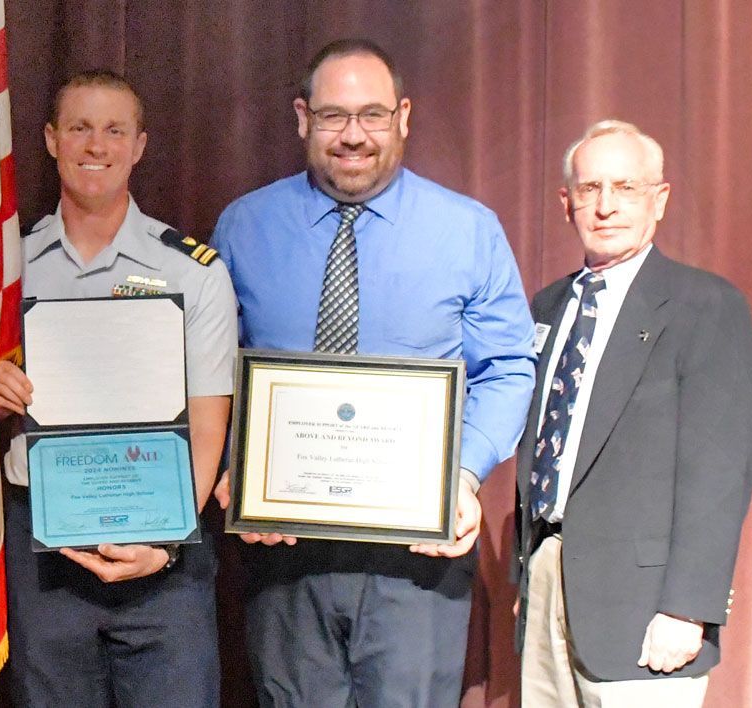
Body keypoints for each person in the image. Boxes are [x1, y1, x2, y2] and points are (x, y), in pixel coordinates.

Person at [208, 39, 536, 706]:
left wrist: (465, 476)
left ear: (403, 117)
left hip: (417, 557)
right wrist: (227, 471)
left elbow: (506, 368)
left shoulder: (468, 231)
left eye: (372, 115)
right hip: (284, 550)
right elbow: (209, 375)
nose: (352, 136)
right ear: (302, 118)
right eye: (333, 116)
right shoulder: (244, 227)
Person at [0, 70, 237, 707]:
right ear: (49, 140)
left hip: (165, 554)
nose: (95, 145)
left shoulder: (194, 273)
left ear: (140, 144)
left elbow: (209, 423)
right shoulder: (2, 270)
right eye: (79, 127)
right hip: (43, 547)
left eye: (114, 130)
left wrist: (162, 540)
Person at [513, 120, 752, 707]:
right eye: (590, 188)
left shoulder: (706, 305)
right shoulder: (546, 305)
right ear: (566, 201)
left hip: (646, 609)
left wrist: (689, 607)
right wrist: (530, 575)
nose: (605, 206)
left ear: (660, 200)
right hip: (549, 587)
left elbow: (721, 472)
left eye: (625, 187)